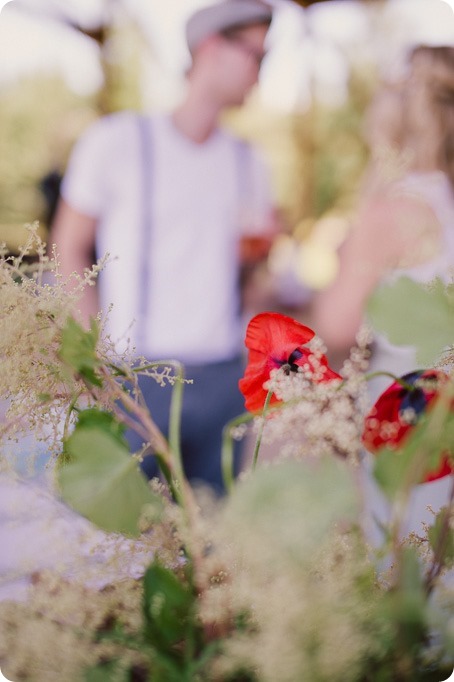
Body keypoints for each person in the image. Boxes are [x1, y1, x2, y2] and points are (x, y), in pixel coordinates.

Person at [50, 0, 281, 494]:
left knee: (207, 547)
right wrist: (96, 361)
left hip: (223, 382)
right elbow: (67, 247)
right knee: (121, 544)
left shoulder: (250, 164)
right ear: (213, 48)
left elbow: (258, 271)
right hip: (135, 379)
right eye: (256, 56)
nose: (260, 74)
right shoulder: (117, 142)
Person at [312, 45, 454, 547]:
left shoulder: (396, 210)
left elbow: (336, 324)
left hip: (414, 426)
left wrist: (345, 258)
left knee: (411, 578)